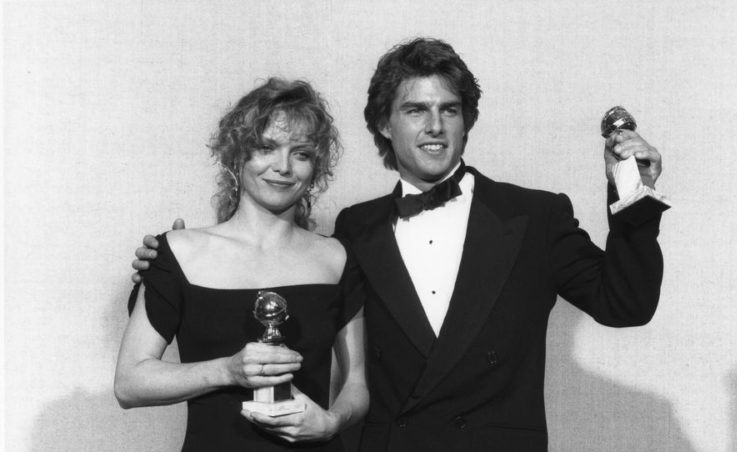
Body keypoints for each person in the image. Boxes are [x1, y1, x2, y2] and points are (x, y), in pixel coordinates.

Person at [133, 38, 665, 451]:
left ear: (466, 120)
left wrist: (634, 199)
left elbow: (626, 304)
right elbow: (276, 290)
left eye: (449, 110)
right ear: (383, 124)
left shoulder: (534, 215)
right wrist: (167, 265)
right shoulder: (354, 231)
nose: (435, 127)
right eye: (415, 110)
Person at [115, 78, 368, 452]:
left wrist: (331, 423)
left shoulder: (338, 258)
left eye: (301, 153)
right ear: (237, 154)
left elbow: (357, 384)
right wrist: (226, 370)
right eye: (267, 148)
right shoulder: (179, 253)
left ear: (316, 166)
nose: (283, 167)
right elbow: (129, 383)